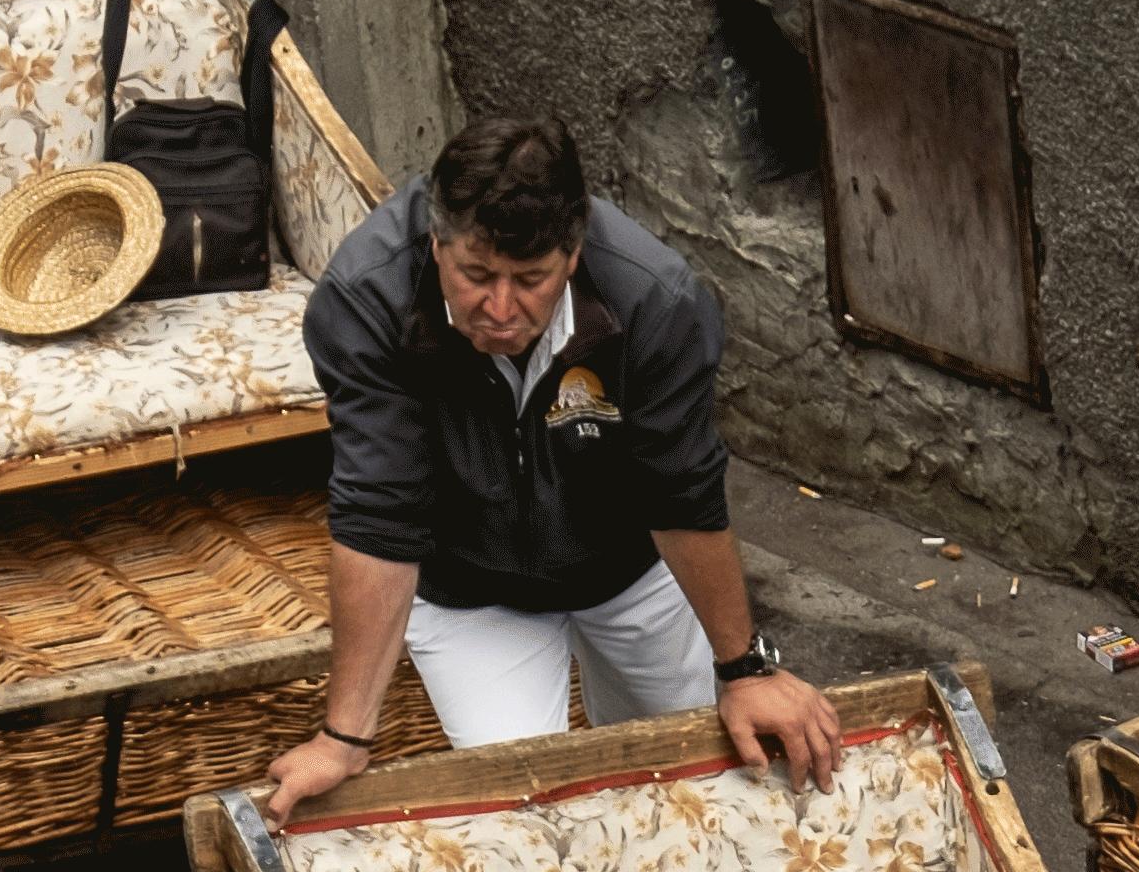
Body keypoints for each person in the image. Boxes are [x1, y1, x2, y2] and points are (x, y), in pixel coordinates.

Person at [269, 117, 846, 813]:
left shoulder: (655, 298)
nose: (500, 308)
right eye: (475, 275)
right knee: (523, 809)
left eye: (530, 279)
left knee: (701, 782)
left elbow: (683, 493)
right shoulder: (365, 299)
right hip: (471, 588)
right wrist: (344, 738)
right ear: (436, 244)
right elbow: (379, 515)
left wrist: (744, 669)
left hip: (629, 567)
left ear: (571, 256)